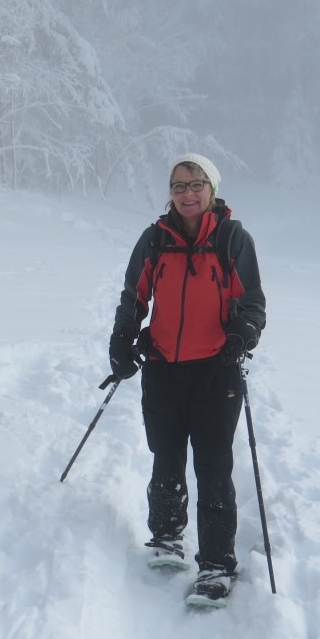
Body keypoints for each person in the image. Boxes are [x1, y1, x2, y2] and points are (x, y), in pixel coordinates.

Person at [109, 153, 266, 604]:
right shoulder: (155, 240)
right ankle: (167, 535)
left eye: (196, 184)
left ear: (211, 190)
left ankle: (217, 564)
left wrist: (244, 331)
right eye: (179, 186)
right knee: (166, 454)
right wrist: (122, 338)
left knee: (213, 465)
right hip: (163, 366)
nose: (187, 193)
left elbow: (252, 301)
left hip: (217, 368)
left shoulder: (232, 240)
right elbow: (134, 295)